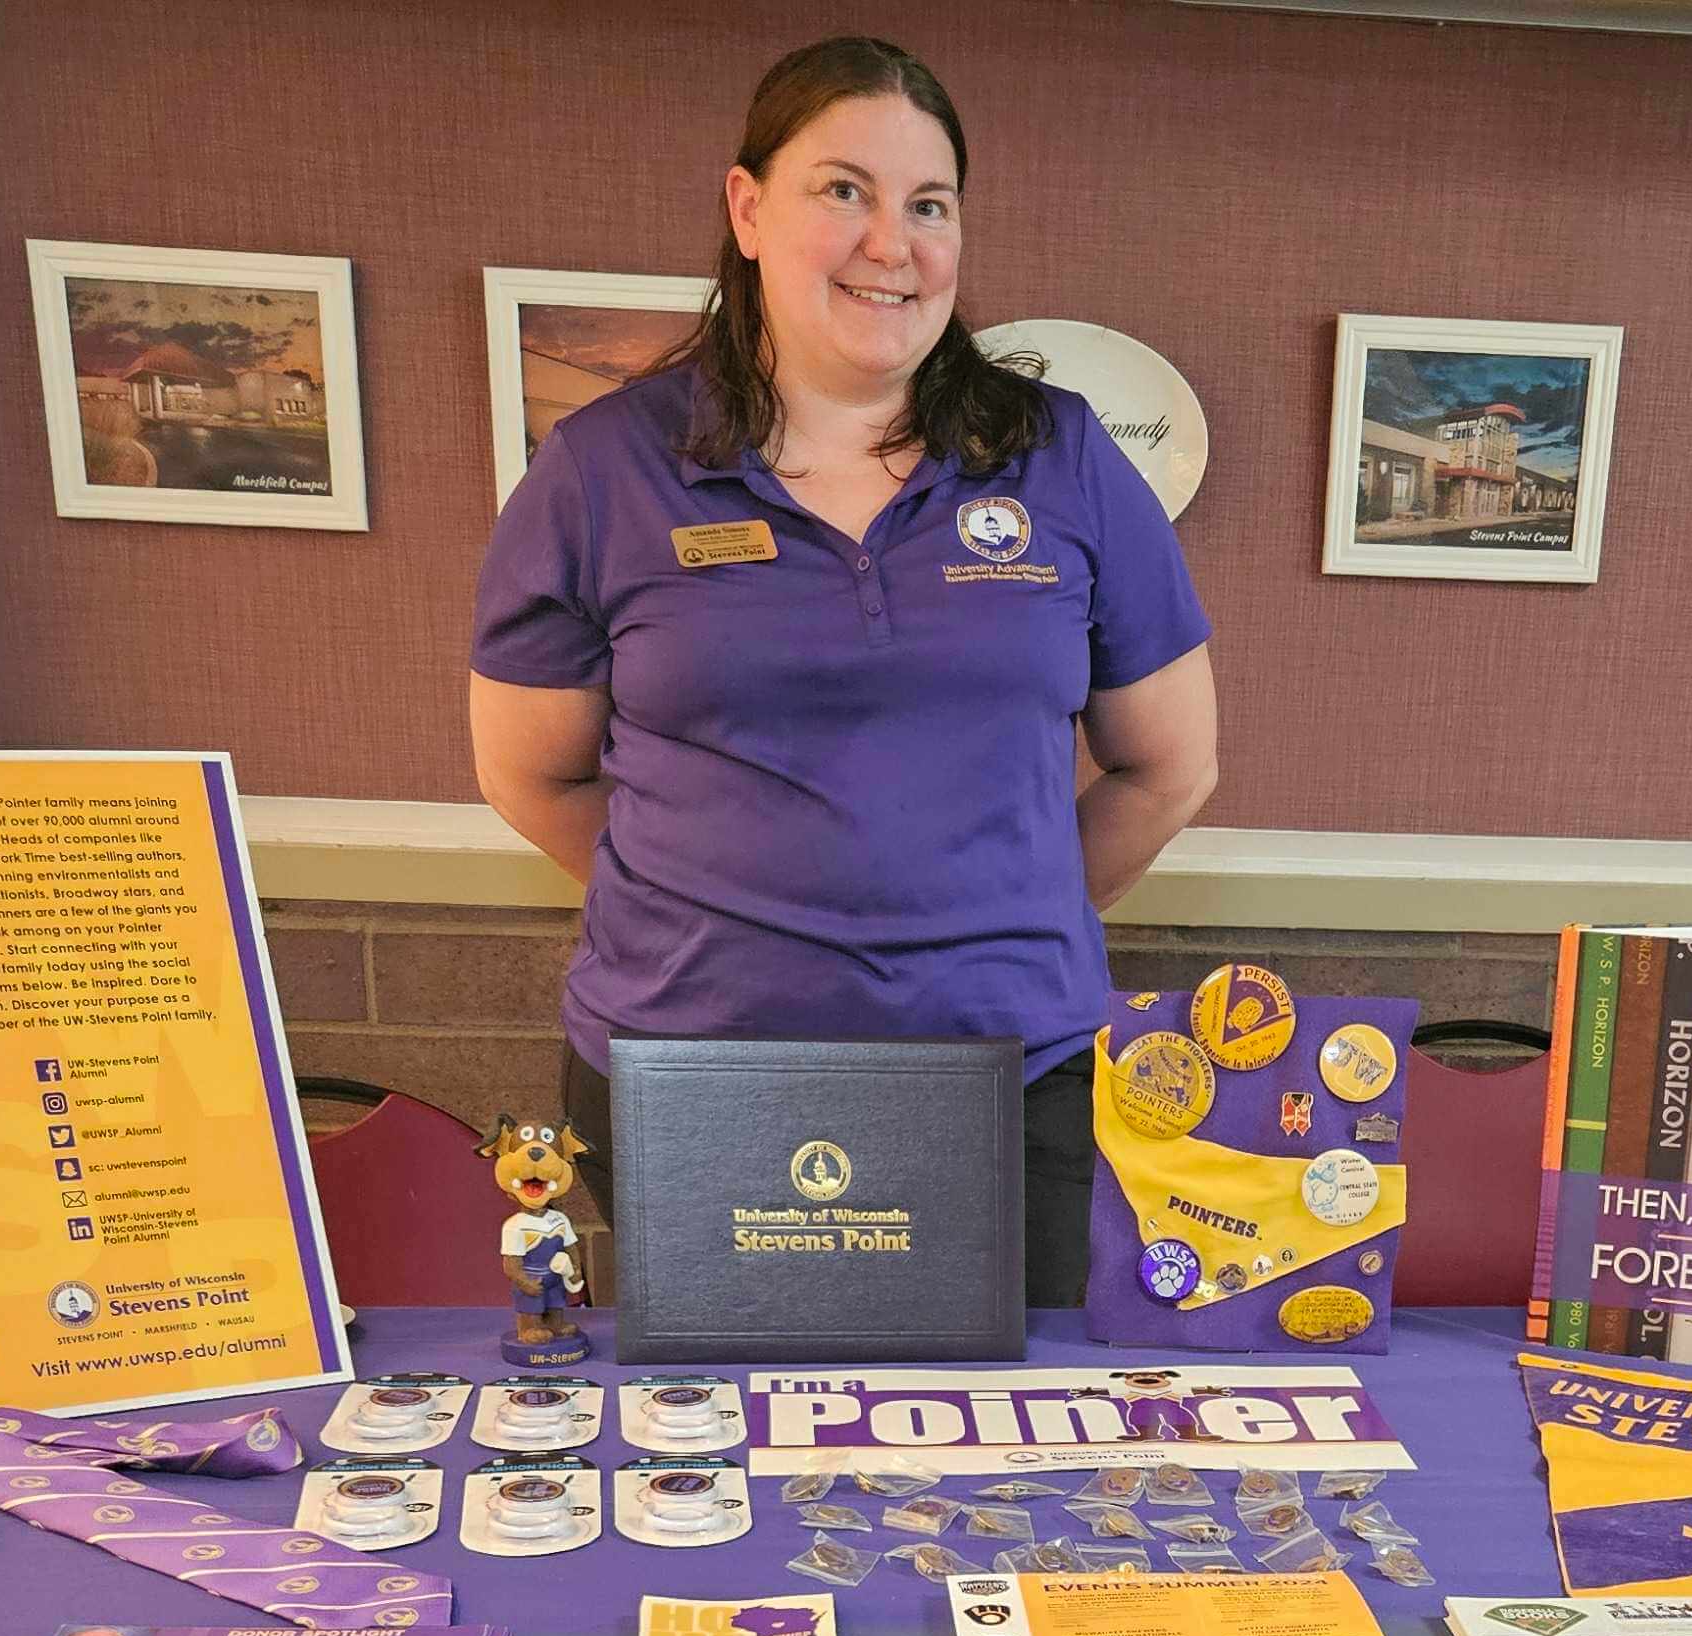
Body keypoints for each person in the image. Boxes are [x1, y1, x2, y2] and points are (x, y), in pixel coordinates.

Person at [467, 35, 1219, 1304]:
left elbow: (1169, 765)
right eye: (844, 191)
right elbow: (530, 777)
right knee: (732, 1456)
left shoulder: (1063, 458)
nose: (894, 243)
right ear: (747, 207)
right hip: (693, 1078)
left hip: (1011, 1076)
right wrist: (723, 925)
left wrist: (992, 915)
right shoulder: (603, 469)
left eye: (930, 204)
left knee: (997, 1466)